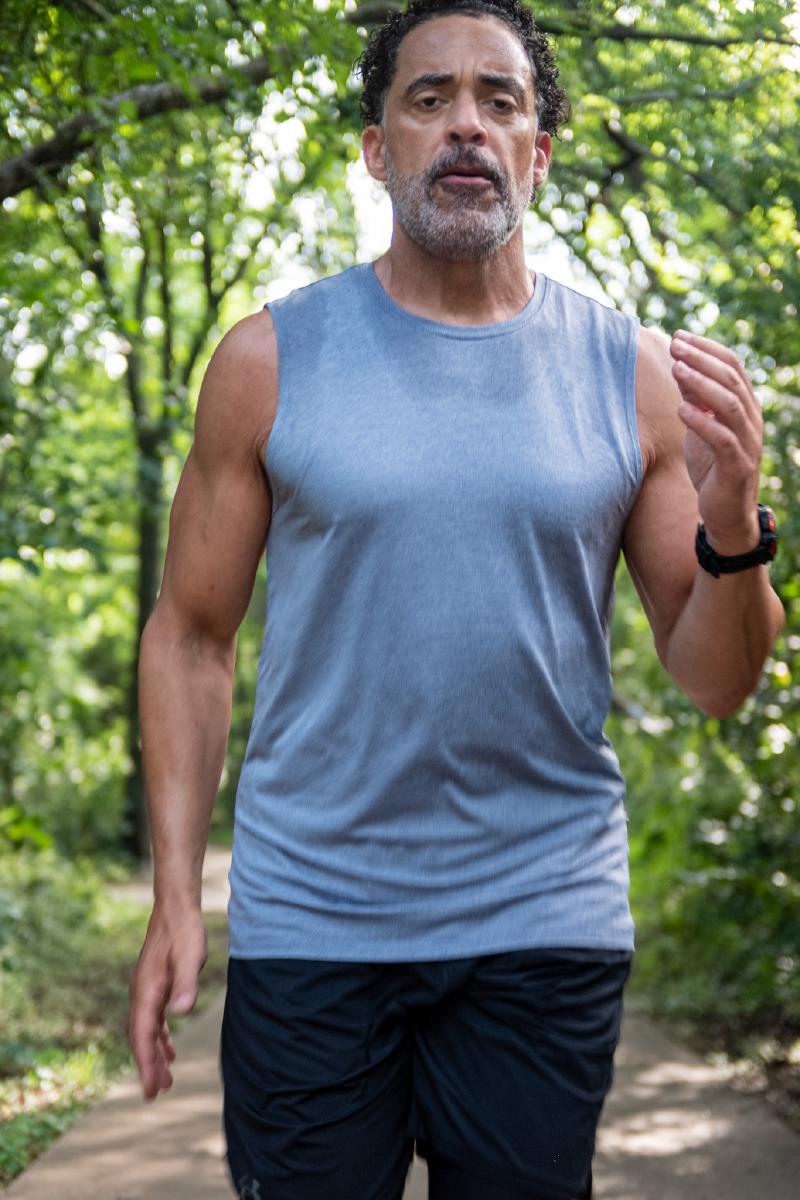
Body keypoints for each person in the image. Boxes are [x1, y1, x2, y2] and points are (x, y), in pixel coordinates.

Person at [128, 1, 785, 1197]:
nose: (465, 125)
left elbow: (714, 680)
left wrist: (735, 525)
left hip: (541, 917)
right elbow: (189, 637)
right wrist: (175, 895)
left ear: (538, 152)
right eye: (428, 99)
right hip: (312, 920)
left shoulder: (630, 375)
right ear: (377, 149)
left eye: (499, 100)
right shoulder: (267, 361)